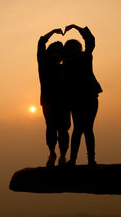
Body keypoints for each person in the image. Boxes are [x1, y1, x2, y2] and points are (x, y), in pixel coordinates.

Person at [63, 24, 102, 166]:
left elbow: (90, 40)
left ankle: (90, 159)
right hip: (75, 100)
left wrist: (76, 27)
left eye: (75, 47)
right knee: (78, 129)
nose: (73, 49)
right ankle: (73, 159)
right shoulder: (65, 64)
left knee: (87, 129)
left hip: (90, 98)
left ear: (78, 48)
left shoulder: (85, 57)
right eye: (70, 47)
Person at [37, 28, 71, 167]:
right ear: (49, 53)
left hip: (64, 102)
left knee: (64, 130)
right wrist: (53, 31)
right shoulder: (44, 65)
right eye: (54, 51)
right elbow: (41, 43)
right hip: (49, 102)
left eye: (59, 52)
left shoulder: (67, 67)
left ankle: (62, 156)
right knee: (51, 128)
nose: (56, 54)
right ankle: (52, 154)